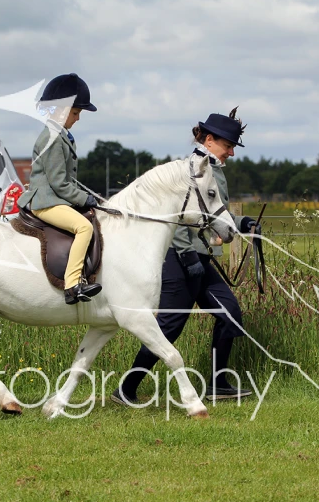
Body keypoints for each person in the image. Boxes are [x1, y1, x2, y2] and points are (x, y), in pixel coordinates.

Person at [112, 109, 260, 403]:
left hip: (201, 259)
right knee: (168, 327)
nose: (231, 152)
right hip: (180, 261)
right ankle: (127, 389)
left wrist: (242, 223)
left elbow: (214, 213)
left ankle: (217, 383)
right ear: (209, 139)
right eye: (228, 145)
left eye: (232, 146)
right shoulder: (188, 170)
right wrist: (186, 253)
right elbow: (177, 214)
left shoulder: (214, 171)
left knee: (229, 313)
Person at [17, 73, 102, 305]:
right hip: (46, 201)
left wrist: (88, 195)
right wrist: (84, 199)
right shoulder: (53, 138)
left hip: (55, 198)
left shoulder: (61, 135)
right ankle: (72, 285)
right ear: (62, 110)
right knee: (84, 227)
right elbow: (58, 183)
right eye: (75, 113)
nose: (78, 118)